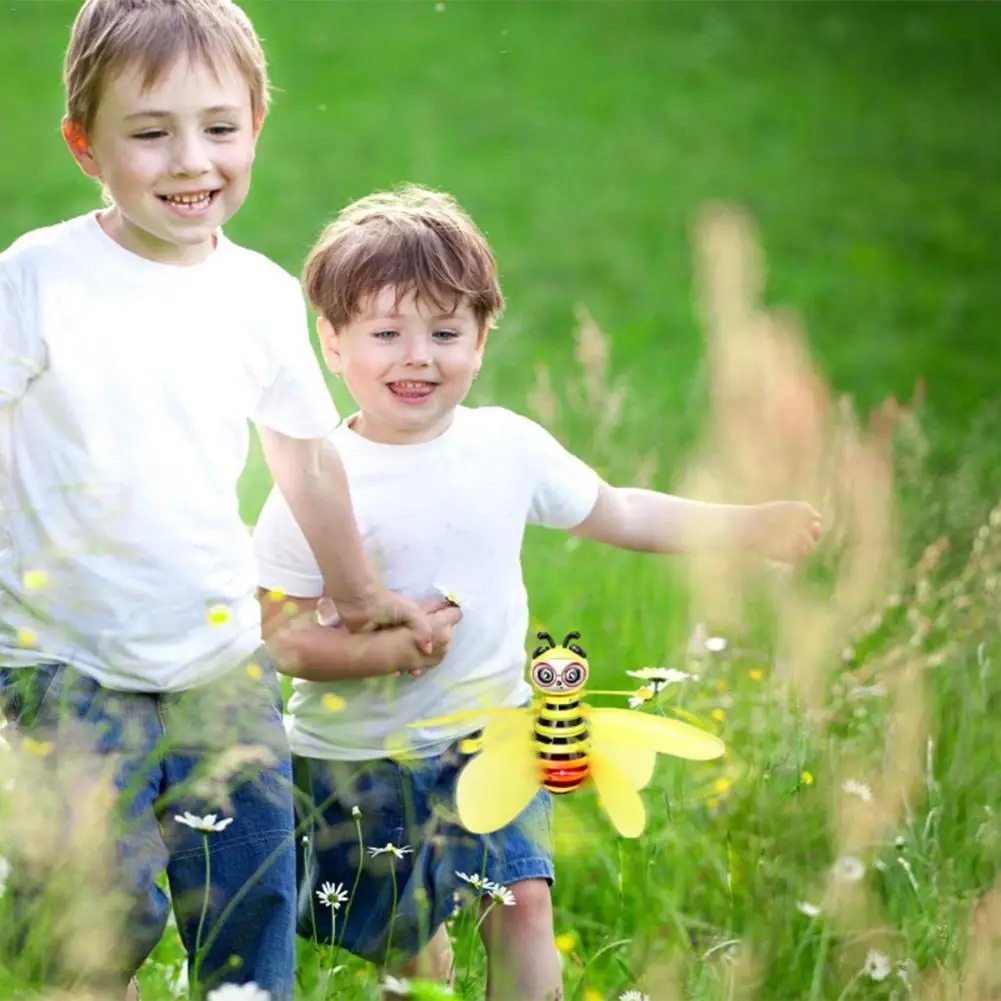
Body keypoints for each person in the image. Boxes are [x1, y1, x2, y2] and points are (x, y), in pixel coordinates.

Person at [253, 184, 823, 1001]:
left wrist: (743, 526)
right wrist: (377, 651)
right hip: (356, 760)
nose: (419, 356)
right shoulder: (313, 482)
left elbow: (620, 509)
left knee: (520, 900)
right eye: (387, 333)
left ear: (482, 341)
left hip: (496, 737)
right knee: (408, 949)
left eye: (446, 332)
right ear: (333, 343)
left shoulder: (507, 446)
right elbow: (281, 637)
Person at [0, 2, 431, 998]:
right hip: (62, 650)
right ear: (85, 147)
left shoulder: (258, 296)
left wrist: (357, 593)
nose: (191, 160)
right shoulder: (37, 279)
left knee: (252, 897)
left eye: (219, 128)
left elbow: (307, 459)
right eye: (150, 133)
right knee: (104, 898)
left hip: (216, 651)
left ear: (256, 126)